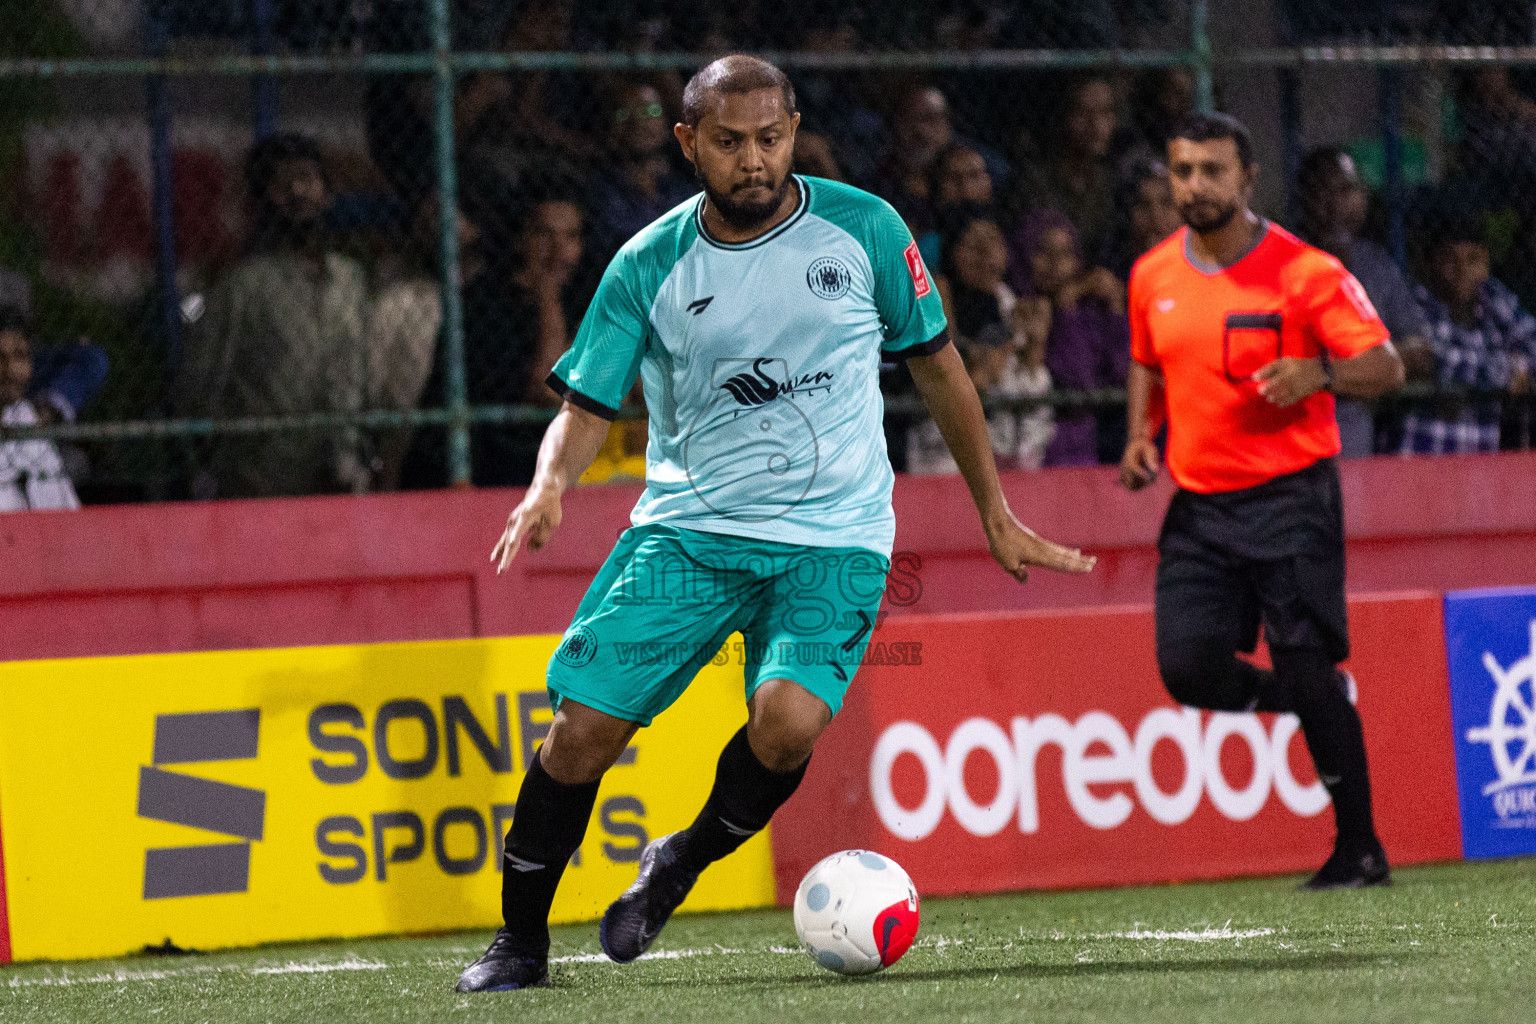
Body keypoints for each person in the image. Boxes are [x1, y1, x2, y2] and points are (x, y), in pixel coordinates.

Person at [455, 54, 1094, 994]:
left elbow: (941, 369)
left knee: (788, 722)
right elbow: (587, 404)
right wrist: (550, 486)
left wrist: (994, 512)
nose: (752, 160)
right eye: (728, 143)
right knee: (582, 733)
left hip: (834, 538)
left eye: (769, 138)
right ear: (688, 144)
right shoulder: (649, 261)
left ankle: (678, 862)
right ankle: (519, 944)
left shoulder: (868, 229)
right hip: (689, 534)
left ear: (793, 131)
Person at [1120, 113, 1405, 890]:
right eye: (1182, 171)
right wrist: (1141, 437)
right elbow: (1148, 359)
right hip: (1201, 506)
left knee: (1309, 665)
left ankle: (1360, 848)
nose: (1196, 186)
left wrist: (1321, 376)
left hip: (1291, 499)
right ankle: (1303, 698)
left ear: (1248, 179)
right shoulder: (1152, 274)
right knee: (1187, 669)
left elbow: (1385, 366)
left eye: (1213, 170)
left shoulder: (1306, 271)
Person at [174, 135, 370, 499]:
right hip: (265, 482)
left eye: (307, 178)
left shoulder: (349, 279)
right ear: (261, 201)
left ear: (327, 193)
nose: (297, 192)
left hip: (342, 475)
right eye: (282, 184)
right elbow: (202, 386)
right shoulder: (242, 286)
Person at [1297, 147, 1432, 456]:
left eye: (1345, 191)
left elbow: (1422, 352)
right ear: (1303, 200)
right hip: (1296, 439)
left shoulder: (1376, 264)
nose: (1335, 206)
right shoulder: (1282, 262)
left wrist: (1337, 367)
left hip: (1360, 443)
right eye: (1322, 193)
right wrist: (1371, 361)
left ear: (1362, 197)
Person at [906, 210, 1053, 474]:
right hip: (940, 456)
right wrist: (978, 379)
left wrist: (1033, 350)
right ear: (954, 252)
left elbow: (1033, 395)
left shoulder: (1015, 308)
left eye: (993, 242)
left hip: (1009, 455)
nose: (986, 253)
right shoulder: (934, 299)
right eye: (974, 245)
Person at [1399, 226, 1536, 454]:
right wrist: (1509, 369)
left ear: (1486, 266)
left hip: (1478, 462)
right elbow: (1433, 358)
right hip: (1419, 456)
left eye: (1473, 260)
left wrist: (1510, 368)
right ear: (1432, 263)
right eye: (1450, 259)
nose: (1462, 271)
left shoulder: (1492, 298)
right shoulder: (1415, 302)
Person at [1013, 210, 1131, 467]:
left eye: (1065, 253)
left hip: (1090, 448)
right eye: (1043, 252)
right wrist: (1065, 312)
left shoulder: (1088, 310)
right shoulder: (1015, 309)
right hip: (1038, 449)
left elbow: (1123, 373)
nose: (1056, 263)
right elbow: (1076, 382)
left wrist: (1116, 310)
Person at [1008, 75, 1120, 260]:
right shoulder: (1033, 180)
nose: (1096, 126)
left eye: (1105, 113)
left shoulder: (1108, 180)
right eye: (1084, 114)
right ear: (1064, 117)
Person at [589, 83, 698, 259]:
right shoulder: (602, 191)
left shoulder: (680, 189)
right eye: (624, 114)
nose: (638, 122)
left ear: (667, 126)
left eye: (651, 111)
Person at [0, 309, 80, 512]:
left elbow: (66, 507)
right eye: (0, 358)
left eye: (20, 356)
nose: (11, 369)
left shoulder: (26, 417)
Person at [1102, 159, 1183, 282]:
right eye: (1143, 204)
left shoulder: (1208, 271)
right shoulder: (1111, 274)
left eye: (1167, 203)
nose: (1155, 216)